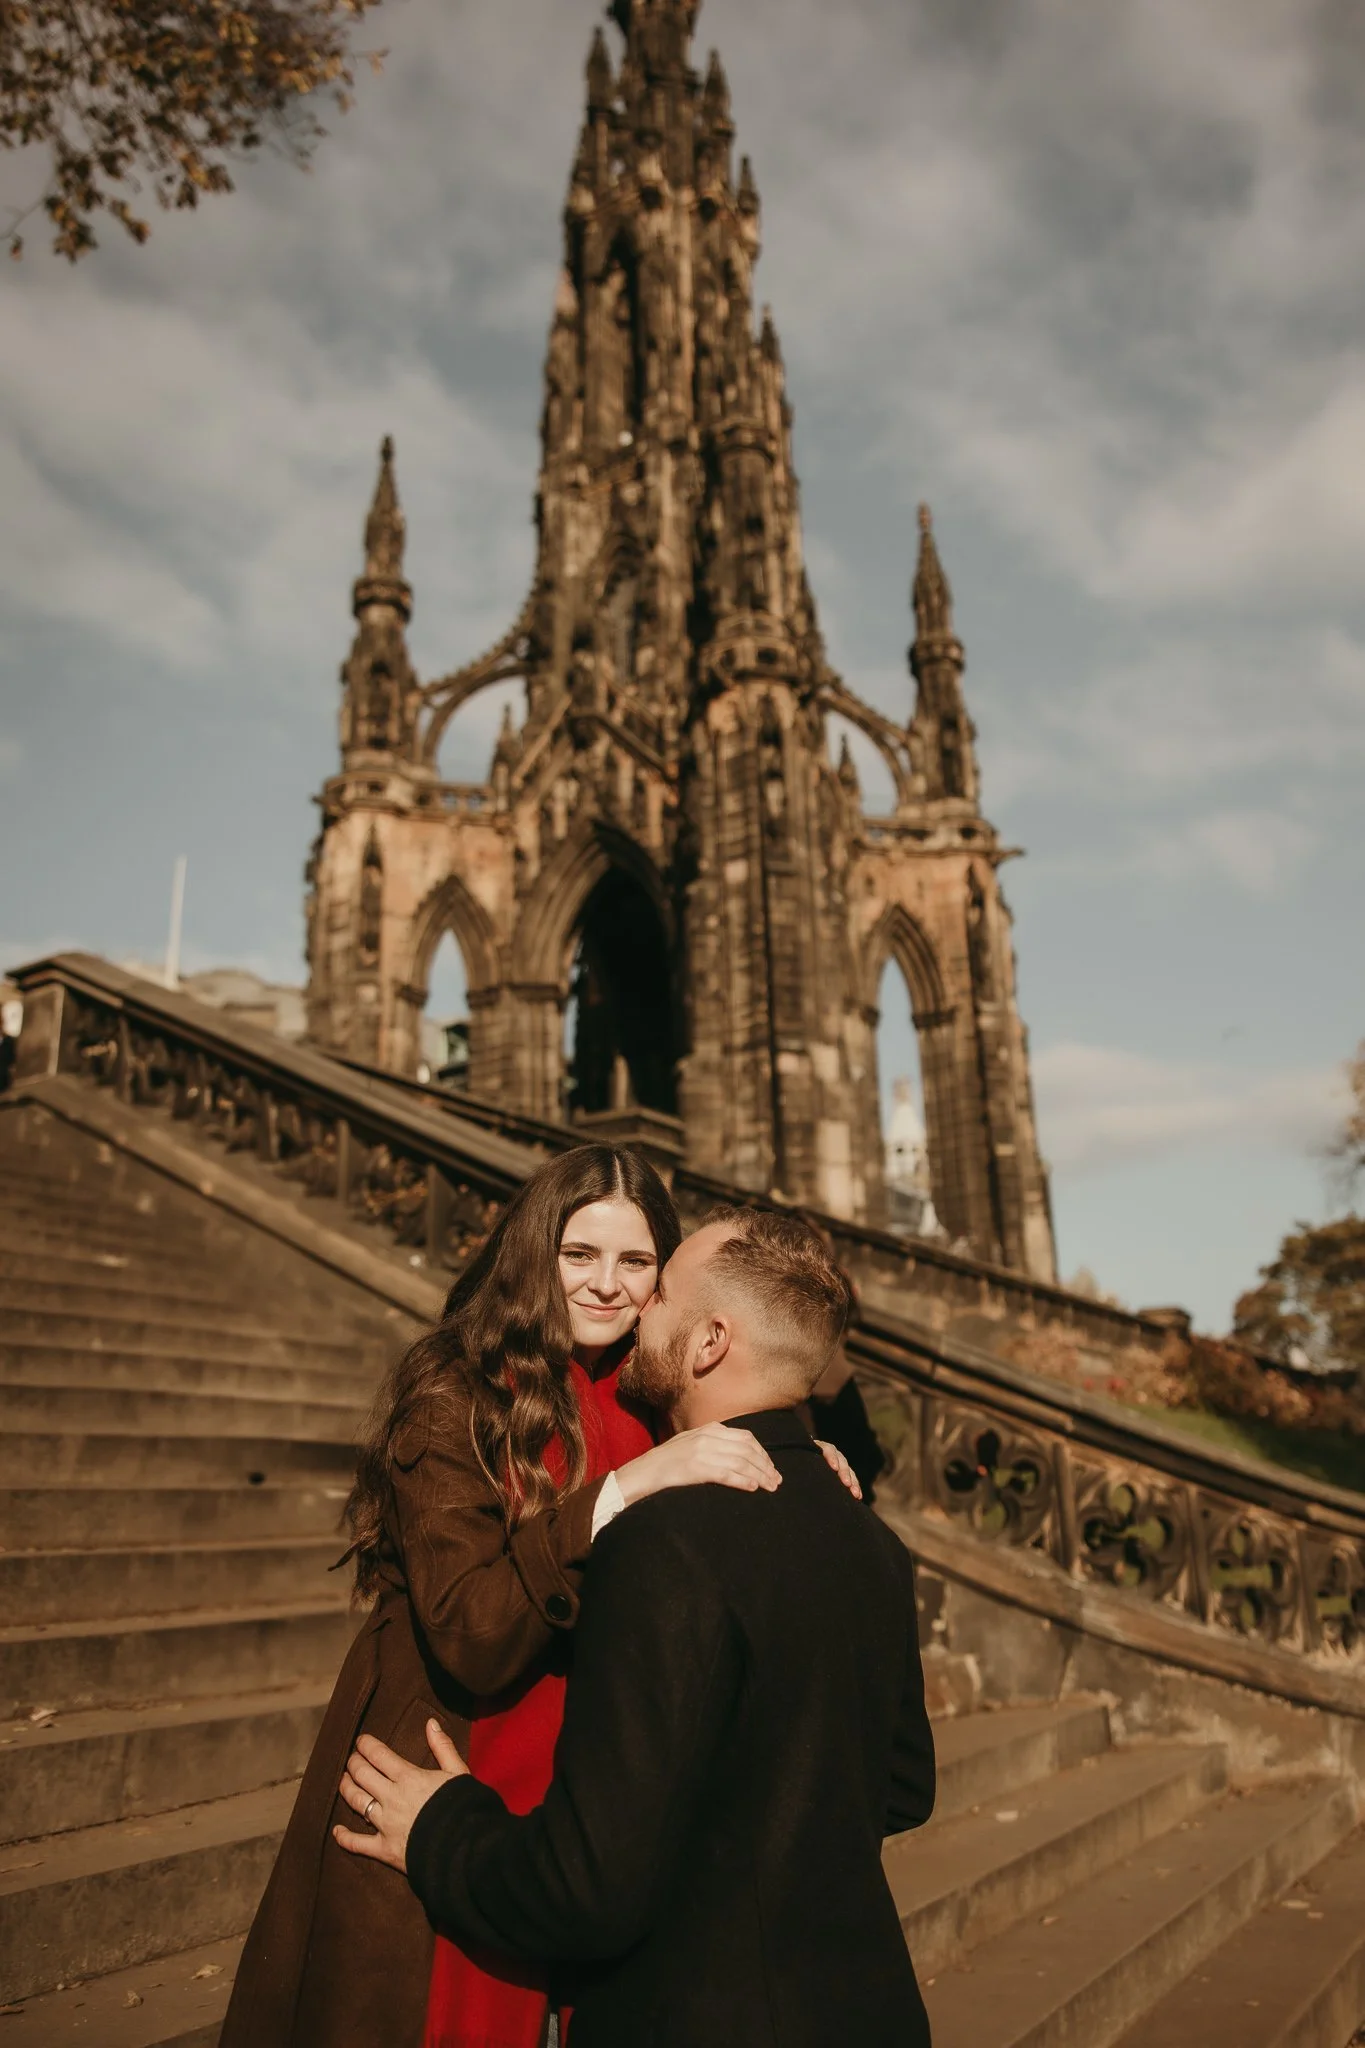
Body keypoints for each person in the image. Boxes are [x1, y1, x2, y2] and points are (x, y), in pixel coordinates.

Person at [220, 1147, 857, 2048]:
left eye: (636, 1263)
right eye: (578, 1254)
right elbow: (471, 1631)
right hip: (456, 1752)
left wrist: (795, 1456)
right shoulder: (455, 1388)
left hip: (603, 1798)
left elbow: (778, 1366)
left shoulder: (657, 1398)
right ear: (533, 1253)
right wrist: (622, 1493)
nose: (605, 1286)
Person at [336, 1206, 936, 2048]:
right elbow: (902, 1787)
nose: (636, 1304)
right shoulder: (871, 1540)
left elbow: (585, 1890)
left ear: (707, 1343)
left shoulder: (662, 1545)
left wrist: (441, 1829)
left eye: (661, 1293)